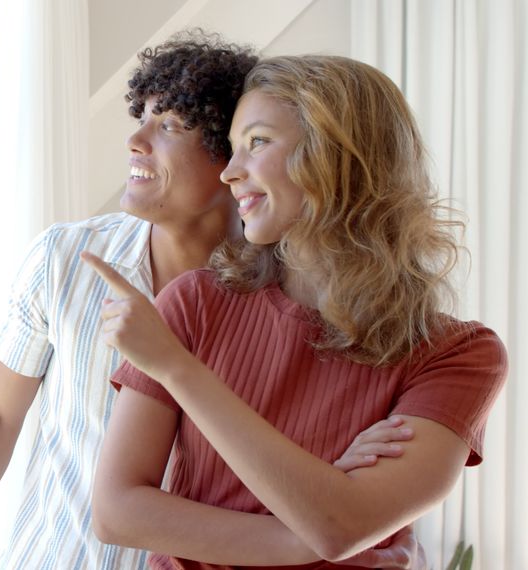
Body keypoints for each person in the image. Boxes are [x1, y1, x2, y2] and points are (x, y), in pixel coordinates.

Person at [0, 33, 421, 570]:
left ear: (231, 155)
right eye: (143, 118)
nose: (136, 140)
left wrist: (343, 528)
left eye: (170, 125)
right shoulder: (63, 259)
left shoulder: (300, 301)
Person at [84, 54, 508, 569]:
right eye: (234, 148)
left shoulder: (458, 355)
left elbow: (341, 525)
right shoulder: (196, 302)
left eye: (258, 142)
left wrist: (178, 369)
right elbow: (117, 511)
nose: (230, 172)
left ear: (338, 157)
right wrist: (304, 531)